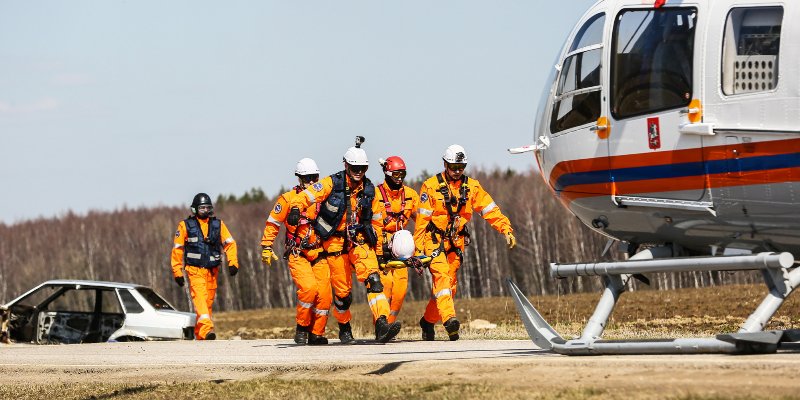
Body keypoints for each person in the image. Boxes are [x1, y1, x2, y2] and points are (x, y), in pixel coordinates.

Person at [288, 138, 401, 343]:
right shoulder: (332, 183)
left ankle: (382, 323)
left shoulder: (370, 190)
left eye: (362, 168)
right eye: (355, 167)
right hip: (334, 245)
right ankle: (344, 327)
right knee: (342, 295)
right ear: (346, 165)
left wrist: (378, 252)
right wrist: (296, 208)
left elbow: (376, 223)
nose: (358, 172)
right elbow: (308, 195)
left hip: (359, 242)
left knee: (374, 280)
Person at [414, 144, 516, 341]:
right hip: (433, 240)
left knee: (449, 287)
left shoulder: (472, 187)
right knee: (442, 277)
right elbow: (421, 222)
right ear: (445, 164)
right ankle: (450, 320)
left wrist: (506, 229)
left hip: (455, 242)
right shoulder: (430, 186)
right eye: (454, 167)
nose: (457, 171)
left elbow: (489, 210)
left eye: (461, 167)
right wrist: (418, 251)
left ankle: (427, 321)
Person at [260, 158, 331, 345]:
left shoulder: (324, 198)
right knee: (309, 289)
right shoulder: (287, 199)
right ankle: (302, 327)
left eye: (315, 177)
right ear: (299, 179)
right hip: (298, 253)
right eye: (307, 178)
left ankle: (316, 333)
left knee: (325, 295)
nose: (311, 182)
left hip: (319, 252)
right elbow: (273, 223)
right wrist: (266, 246)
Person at [171, 193, 239, 340]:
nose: (205, 211)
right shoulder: (185, 225)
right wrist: (177, 272)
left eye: (208, 208)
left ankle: (201, 335)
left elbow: (230, 243)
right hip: (194, 270)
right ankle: (207, 328)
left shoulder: (218, 225)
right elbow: (177, 249)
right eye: (202, 208)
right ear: (194, 209)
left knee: (207, 304)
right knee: (200, 299)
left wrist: (233, 262)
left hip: (212, 272)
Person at [376, 156, 420, 324]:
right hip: (382, 247)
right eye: (396, 174)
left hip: (402, 248)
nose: (399, 178)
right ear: (387, 173)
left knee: (400, 291)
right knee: (385, 286)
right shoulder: (375, 195)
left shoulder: (410, 195)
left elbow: (422, 221)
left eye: (402, 174)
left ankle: (389, 324)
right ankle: (381, 325)